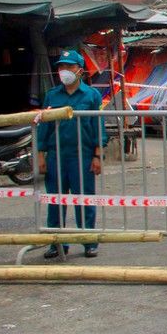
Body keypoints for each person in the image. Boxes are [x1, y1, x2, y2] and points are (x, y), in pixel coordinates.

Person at [36, 49, 106, 259]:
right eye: (61, 67)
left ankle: (88, 242)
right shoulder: (52, 95)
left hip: (82, 155)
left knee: (84, 199)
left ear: (80, 71)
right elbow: (44, 127)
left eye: (69, 66)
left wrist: (97, 155)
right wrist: (40, 154)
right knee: (55, 201)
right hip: (56, 155)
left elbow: (98, 126)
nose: (64, 70)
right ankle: (57, 242)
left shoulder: (91, 95)